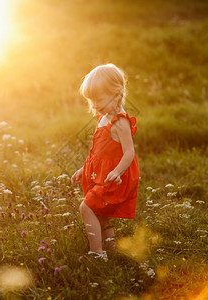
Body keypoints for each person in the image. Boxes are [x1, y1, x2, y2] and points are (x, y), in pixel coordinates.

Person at [71, 63, 139, 260]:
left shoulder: (120, 122)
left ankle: (97, 253)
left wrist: (117, 172)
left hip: (115, 176)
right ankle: (111, 251)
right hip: (101, 173)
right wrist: (83, 168)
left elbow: (129, 152)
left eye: (98, 99)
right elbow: (98, 152)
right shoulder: (104, 117)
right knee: (100, 214)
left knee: (87, 207)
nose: (94, 105)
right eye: (91, 101)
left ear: (116, 95)